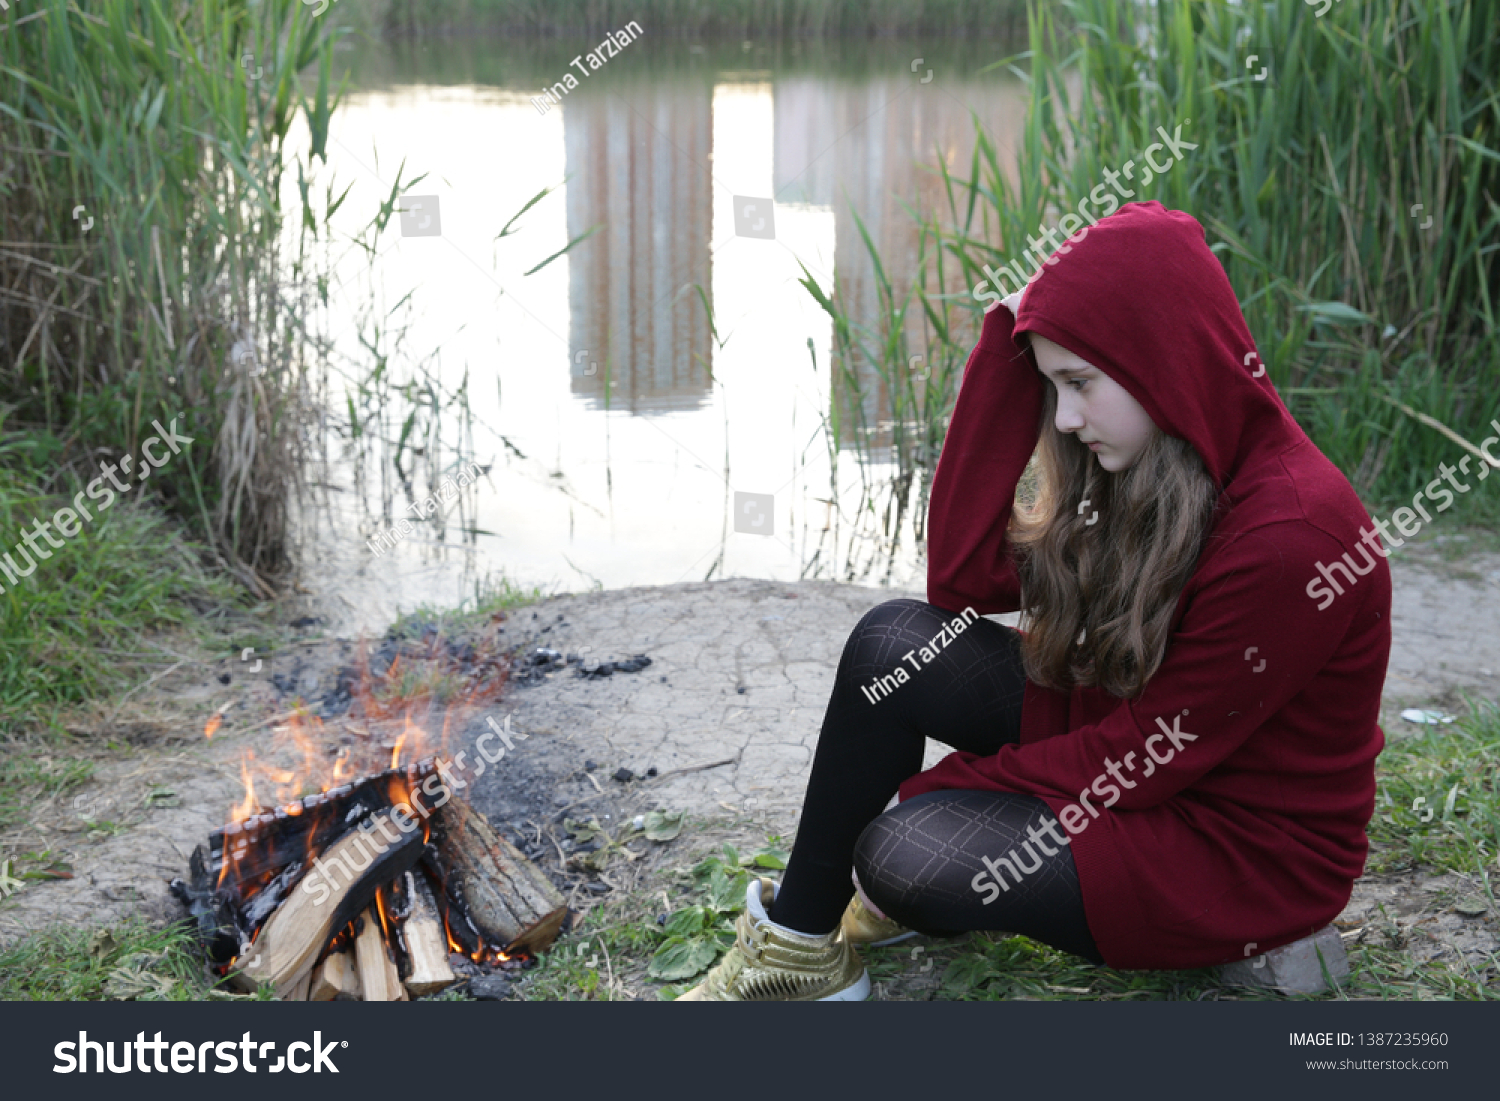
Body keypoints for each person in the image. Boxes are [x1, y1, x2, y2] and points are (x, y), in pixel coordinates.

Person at [678, 201, 1391, 1001]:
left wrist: (946, 787)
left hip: (1235, 843)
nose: (1067, 417)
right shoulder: (1152, 458)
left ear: (1160, 358)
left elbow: (1143, 759)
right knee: (892, 644)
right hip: (1154, 751)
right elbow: (961, 576)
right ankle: (800, 947)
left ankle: (900, 882)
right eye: (1052, 386)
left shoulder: (1295, 534)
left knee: (900, 850)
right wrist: (1004, 355)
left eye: (1080, 383)